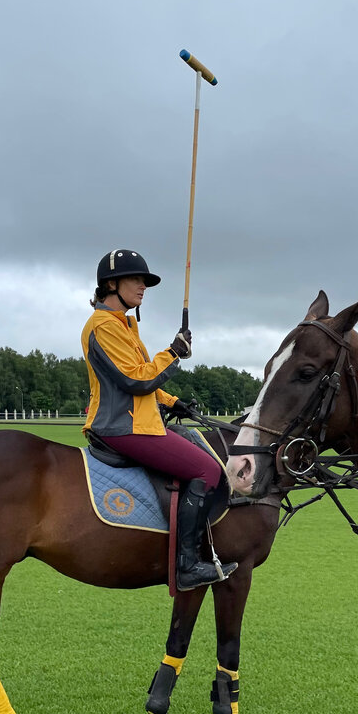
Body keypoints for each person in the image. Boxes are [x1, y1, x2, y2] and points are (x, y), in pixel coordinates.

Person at [81, 248, 236, 591]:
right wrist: (173, 353)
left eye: (145, 281)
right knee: (207, 470)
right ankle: (188, 565)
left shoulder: (125, 325)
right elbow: (136, 380)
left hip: (137, 421)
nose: (143, 287)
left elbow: (139, 382)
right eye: (136, 279)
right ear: (111, 283)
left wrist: (172, 401)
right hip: (122, 427)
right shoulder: (103, 326)